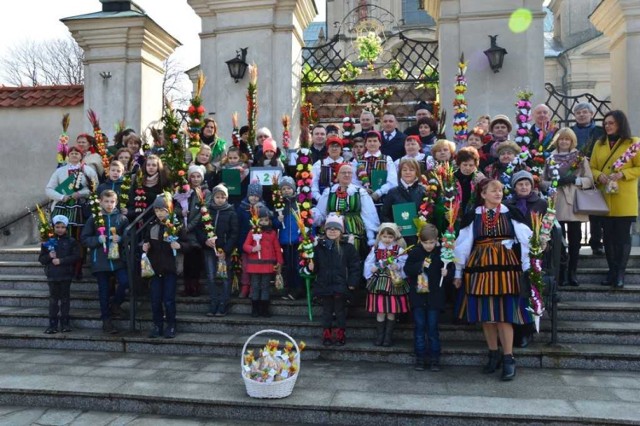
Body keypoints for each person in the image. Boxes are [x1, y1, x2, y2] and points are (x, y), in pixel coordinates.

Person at [453, 179, 534, 381]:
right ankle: (493, 354)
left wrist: (527, 268)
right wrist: (457, 272)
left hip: (506, 267)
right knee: (486, 315)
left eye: (500, 190)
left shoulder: (511, 212)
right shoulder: (473, 215)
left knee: (504, 315)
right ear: (483, 193)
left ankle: (508, 358)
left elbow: (526, 240)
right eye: (493, 190)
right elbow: (463, 244)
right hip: (480, 267)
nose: (498, 193)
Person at [590, 110, 640, 288]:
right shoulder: (600, 143)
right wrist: (599, 176)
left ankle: (620, 273)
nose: (607, 126)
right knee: (608, 238)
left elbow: (638, 167)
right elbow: (592, 167)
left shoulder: (633, 143)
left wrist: (624, 174)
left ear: (620, 123)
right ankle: (611, 271)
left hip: (624, 199)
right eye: (605, 123)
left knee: (622, 238)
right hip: (604, 198)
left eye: (611, 123)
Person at [541, 128, 593, 287]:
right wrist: (556, 183)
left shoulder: (580, 158)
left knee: (575, 241)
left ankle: (573, 272)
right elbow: (543, 182)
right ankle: (562, 272)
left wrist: (574, 180)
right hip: (557, 202)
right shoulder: (550, 158)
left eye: (567, 139)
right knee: (559, 240)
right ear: (557, 141)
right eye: (561, 139)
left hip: (574, 202)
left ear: (572, 141)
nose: (564, 142)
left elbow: (589, 180)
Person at [142, 194, 194, 339]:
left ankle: (171, 325)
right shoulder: (151, 225)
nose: (159, 213)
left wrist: (180, 245)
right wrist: (145, 246)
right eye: (157, 210)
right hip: (154, 268)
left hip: (170, 268)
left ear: (169, 209)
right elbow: (146, 242)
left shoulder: (176, 226)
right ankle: (157, 325)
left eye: (163, 210)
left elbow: (188, 245)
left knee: (169, 300)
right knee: (155, 299)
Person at [506, 171, 547, 349]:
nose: (523, 187)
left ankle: (527, 330)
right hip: (513, 253)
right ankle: (515, 328)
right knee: (514, 292)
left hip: (534, 253)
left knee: (529, 290)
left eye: (527, 184)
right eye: (520, 184)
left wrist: (541, 243)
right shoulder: (508, 204)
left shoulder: (541, 203)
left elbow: (548, 227)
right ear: (514, 186)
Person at [81, 189, 129, 335]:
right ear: (101, 202)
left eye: (112, 202)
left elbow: (129, 236)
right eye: (106, 201)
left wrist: (121, 239)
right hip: (100, 259)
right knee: (104, 290)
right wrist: (97, 240)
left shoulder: (121, 218)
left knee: (125, 281)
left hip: (117, 259)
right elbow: (84, 238)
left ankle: (115, 304)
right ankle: (106, 320)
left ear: (116, 202)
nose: (109, 204)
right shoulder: (94, 218)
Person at [404, 223, 448, 371]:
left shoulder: (441, 253)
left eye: (431, 243)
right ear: (420, 241)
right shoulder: (416, 253)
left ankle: (435, 359)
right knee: (419, 328)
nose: (429, 246)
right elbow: (407, 269)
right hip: (418, 297)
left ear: (437, 241)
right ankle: (420, 358)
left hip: (434, 298)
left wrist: (447, 273)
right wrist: (420, 266)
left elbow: (450, 270)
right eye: (425, 243)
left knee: (432, 329)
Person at [312, 213, 360, 346]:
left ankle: (340, 334)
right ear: (325, 230)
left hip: (340, 284)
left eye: (336, 229)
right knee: (327, 311)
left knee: (340, 311)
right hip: (324, 284)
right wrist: (311, 266)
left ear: (341, 231)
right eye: (329, 229)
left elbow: (354, 266)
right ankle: (326, 334)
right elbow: (315, 266)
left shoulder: (347, 247)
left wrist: (352, 282)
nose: (332, 231)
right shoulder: (319, 247)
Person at [314, 164, 379, 259]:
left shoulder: (360, 192)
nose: (347, 175)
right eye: (343, 172)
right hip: (332, 225)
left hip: (354, 227)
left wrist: (371, 234)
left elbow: (369, 214)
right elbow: (321, 212)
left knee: (352, 251)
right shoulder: (329, 192)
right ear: (338, 175)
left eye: (349, 173)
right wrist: (313, 216)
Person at [364, 223, 410, 347]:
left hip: (393, 282)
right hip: (379, 283)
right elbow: (369, 262)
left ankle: (388, 337)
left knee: (391, 311)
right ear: (380, 236)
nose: (387, 239)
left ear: (395, 237)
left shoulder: (399, 250)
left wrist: (398, 266)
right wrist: (371, 269)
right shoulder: (375, 249)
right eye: (384, 236)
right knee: (380, 311)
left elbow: (405, 263)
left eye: (390, 237)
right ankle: (380, 336)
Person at [570, 103, 605, 255]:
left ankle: (596, 243)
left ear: (591, 114)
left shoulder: (600, 131)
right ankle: (574, 244)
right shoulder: (570, 131)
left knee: (594, 210)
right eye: (578, 113)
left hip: (595, 174)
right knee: (576, 210)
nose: (582, 115)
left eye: (585, 112)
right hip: (575, 175)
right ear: (575, 115)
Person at [38, 215, 80, 334]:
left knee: (65, 300)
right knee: (53, 300)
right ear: (53, 227)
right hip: (52, 275)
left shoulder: (71, 241)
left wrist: (61, 261)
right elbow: (41, 259)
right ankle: (52, 324)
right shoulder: (47, 242)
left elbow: (76, 256)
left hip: (66, 274)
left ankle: (65, 323)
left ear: (66, 228)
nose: (60, 229)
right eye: (57, 227)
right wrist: (49, 257)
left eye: (62, 227)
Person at [201, 184, 238, 317]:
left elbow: (234, 234)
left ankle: (224, 303)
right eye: (217, 197)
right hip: (209, 249)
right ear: (213, 197)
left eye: (223, 197)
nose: (220, 199)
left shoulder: (231, 212)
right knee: (211, 276)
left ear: (226, 198)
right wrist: (205, 241)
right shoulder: (207, 211)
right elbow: (201, 229)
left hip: (224, 250)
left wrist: (226, 250)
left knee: (224, 277)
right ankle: (213, 302)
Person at [175, 165, 210, 297]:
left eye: (198, 176)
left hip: (197, 231)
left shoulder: (206, 192)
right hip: (185, 231)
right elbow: (176, 207)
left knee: (195, 259)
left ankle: (195, 287)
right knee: (187, 260)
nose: (195, 179)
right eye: (193, 176)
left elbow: (202, 213)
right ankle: (187, 286)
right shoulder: (184, 190)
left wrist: (189, 227)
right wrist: (181, 212)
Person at [243, 206, 283, 318]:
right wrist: (253, 249)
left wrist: (279, 261)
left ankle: (264, 309)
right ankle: (255, 309)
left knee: (265, 286)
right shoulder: (253, 232)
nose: (264, 222)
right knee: (255, 286)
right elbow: (245, 245)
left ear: (270, 221)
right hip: (254, 265)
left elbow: (277, 248)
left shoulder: (273, 233)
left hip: (267, 265)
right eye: (261, 220)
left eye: (266, 220)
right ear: (257, 220)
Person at [381, 158, 425, 246]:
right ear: (400, 172)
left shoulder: (423, 191)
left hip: (418, 236)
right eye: (404, 170)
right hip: (398, 238)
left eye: (411, 170)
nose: (407, 172)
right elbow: (384, 214)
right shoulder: (392, 192)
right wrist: (393, 228)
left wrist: (423, 216)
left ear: (417, 172)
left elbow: (429, 212)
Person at [236, 182, 265, 298]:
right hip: (245, 243)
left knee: (255, 267)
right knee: (245, 267)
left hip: (259, 245)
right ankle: (245, 286)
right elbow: (237, 226)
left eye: (257, 196)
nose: (254, 198)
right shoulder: (241, 208)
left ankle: (254, 287)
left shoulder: (263, 208)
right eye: (252, 195)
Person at [277, 176, 304, 300]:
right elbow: (274, 224)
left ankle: (298, 289)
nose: (286, 190)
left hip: (297, 240)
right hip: (284, 241)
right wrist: (278, 220)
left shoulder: (299, 203)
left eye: (289, 188)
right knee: (288, 266)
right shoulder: (279, 205)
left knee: (297, 266)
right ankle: (289, 289)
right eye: (283, 188)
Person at [352, 131, 398, 203]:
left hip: (383, 199)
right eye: (369, 141)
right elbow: (353, 180)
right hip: (362, 197)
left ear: (380, 143)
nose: (372, 143)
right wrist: (363, 190)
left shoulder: (387, 159)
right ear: (365, 144)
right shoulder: (357, 160)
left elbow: (393, 181)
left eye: (375, 141)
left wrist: (379, 192)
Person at [127, 154, 171, 222]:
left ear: (158, 167)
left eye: (154, 165)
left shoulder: (164, 181)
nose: (151, 167)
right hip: (138, 216)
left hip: (156, 217)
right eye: (148, 165)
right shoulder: (139, 179)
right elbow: (132, 198)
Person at [311, 136, 345, 202]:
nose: (334, 149)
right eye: (332, 146)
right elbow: (313, 184)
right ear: (327, 149)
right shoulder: (319, 164)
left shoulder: (347, 164)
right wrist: (319, 198)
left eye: (337, 146)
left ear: (341, 149)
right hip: (322, 199)